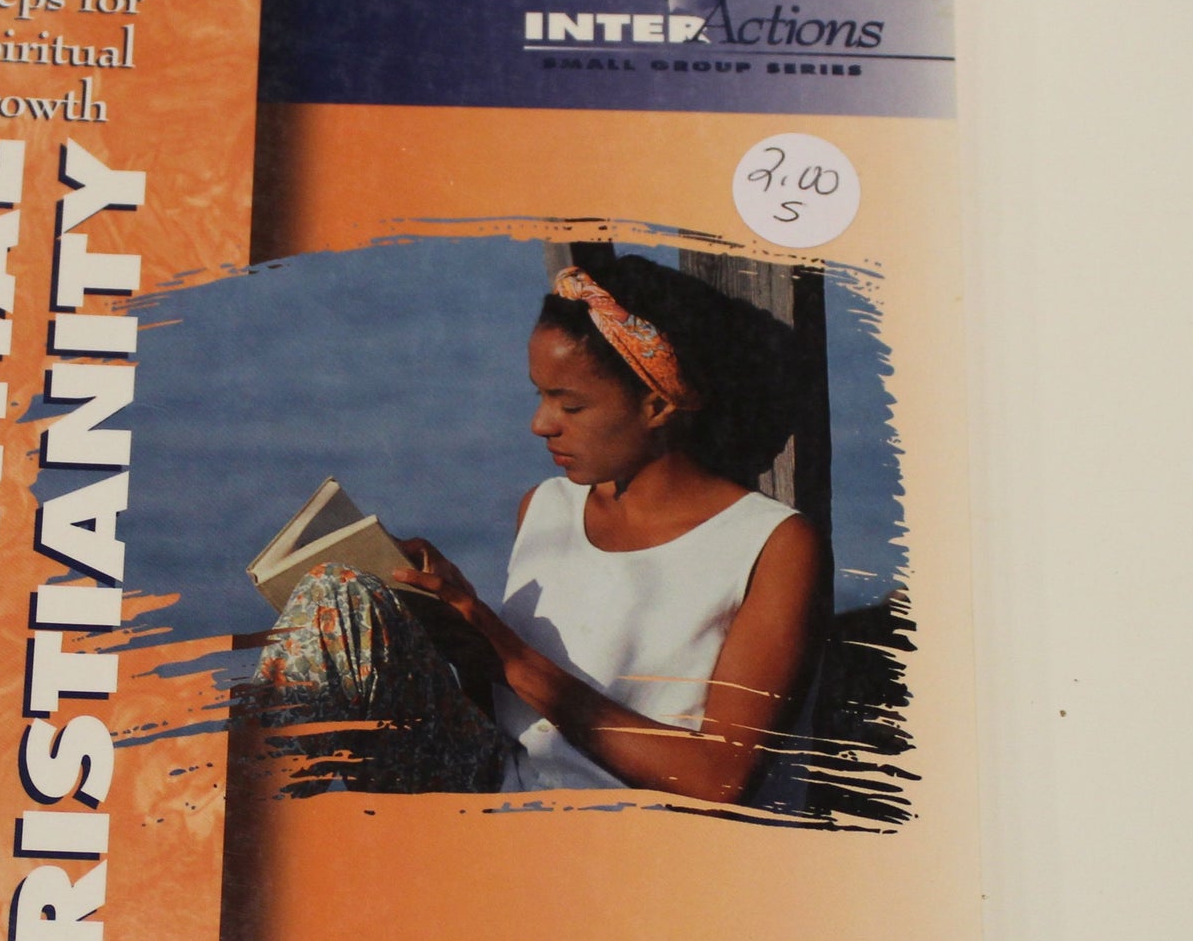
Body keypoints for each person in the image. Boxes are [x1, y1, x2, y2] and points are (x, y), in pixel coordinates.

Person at [248, 255, 825, 805]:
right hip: (504, 799)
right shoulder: (548, 507)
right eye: (540, 395)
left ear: (656, 405)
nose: (541, 424)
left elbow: (719, 780)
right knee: (337, 595)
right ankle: (238, 820)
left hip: (636, 846)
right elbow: (514, 721)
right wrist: (460, 631)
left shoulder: (769, 544)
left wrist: (509, 654)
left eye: (570, 406)